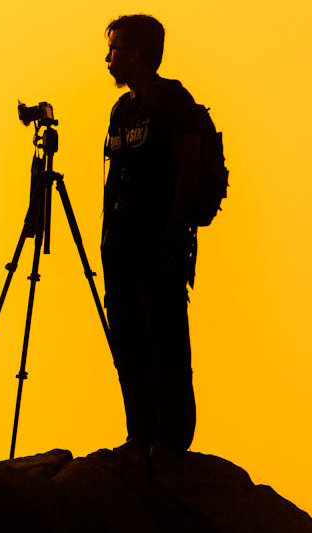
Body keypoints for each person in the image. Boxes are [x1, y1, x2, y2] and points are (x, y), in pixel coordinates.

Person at [101, 14, 201, 458]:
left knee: (165, 339)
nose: (108, 59)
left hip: (159, 243)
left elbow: (191, 165)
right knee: (127, 338)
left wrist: (176, 231)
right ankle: (139, 433)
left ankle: (171, 439)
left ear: (136, 53)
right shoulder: (122, 110)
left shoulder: (172, 101)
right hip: (121, 245)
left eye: (115, 49)